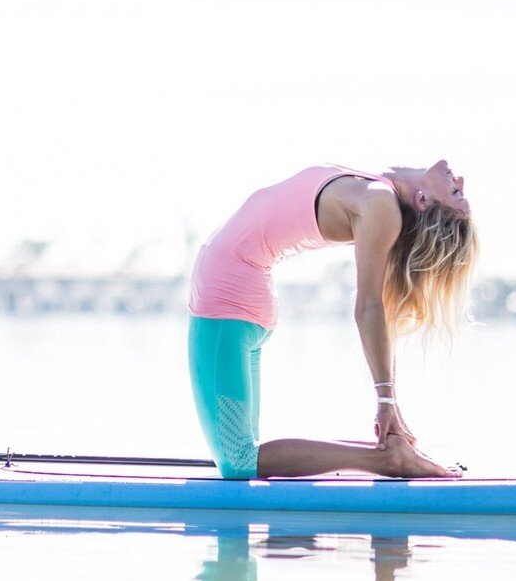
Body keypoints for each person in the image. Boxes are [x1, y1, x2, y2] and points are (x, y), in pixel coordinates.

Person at [187, 161, 476, 479]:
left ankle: (389, 461)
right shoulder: (378, 188)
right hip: (241, 296)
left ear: (423, 201)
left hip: (228, 299)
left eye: (455, 192)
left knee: (238, 461)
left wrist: (386, 399)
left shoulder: (381, 204)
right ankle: (391, 453)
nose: (459, 178)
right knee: (244, 450)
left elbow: (370, 306)